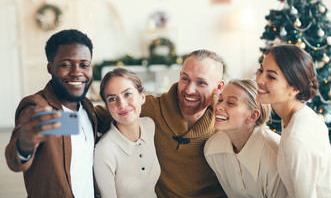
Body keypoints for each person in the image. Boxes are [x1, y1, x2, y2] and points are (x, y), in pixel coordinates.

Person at [96, 49, 226, 198]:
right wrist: (64, 120)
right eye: (185, 79)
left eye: (201, 82)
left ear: (219, 87)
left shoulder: (225, 121)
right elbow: (92, 114)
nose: (189, 90)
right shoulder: (148, 109)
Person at [5, 29, 100, 198]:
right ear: (50, 68)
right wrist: (25, 142)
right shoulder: (38, 106)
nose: (77, 72)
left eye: (84, 65)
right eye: (66, 64)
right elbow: (15, 160)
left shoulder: (87, 107)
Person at [256, 44, 331, 198]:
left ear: (295, 88)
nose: (259, 79)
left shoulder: (297, 137)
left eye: (271, 76)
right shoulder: (298, 116)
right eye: (260, 70)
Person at [204, 78, 288, 198]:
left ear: (253, 115)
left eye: (231, 103)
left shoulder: (274, 154)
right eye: (220, 100)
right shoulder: (212, 149)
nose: (219, 106)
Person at [94, 68, 160, 198]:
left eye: (127, 94)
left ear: (142, 97)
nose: (122, 104)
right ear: (107, 106)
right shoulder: (105, 150)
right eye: (112, 99)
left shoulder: (149, 125)